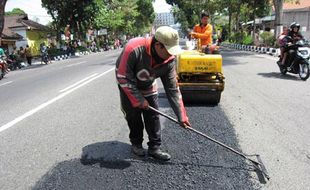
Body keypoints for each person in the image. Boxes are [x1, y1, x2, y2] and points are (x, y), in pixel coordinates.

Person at [115, 26, 191, 161]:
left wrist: (181, 115)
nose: (171, 54)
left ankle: (154, 148)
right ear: (158, 45)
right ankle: (136, 143)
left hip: (148, 83)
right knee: (133, 115)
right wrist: (138, 99)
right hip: (127, 81)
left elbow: (173, 89)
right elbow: (123, 77)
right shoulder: (134, 48)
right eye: (168, 50)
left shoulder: (169, 61)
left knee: (153, 114)